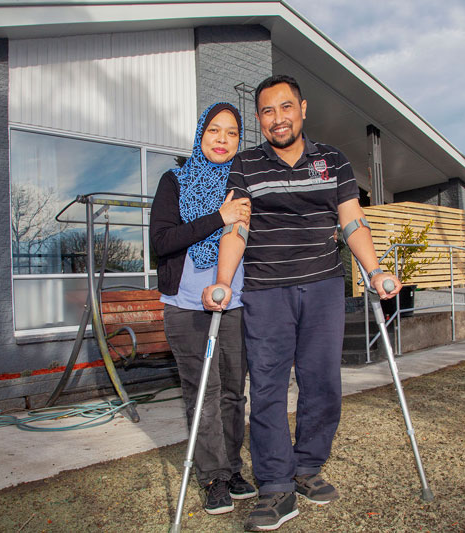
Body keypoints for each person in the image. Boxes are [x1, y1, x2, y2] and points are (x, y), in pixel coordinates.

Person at [202, 75, 401, 531]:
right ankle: (276, 486)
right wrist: (223, 281)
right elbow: (238, 227)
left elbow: (352, 221)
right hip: (267, 293)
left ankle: (307, 468)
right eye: (268, 111)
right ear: (258, 119)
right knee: (268, 388)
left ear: (303, 109)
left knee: (322, 384)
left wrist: (375, 271)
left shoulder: (333, 160)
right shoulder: (246, 165)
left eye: (286, 107)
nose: (278, 118)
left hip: (324, 288)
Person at [149, 102, 256, 515]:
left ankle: (231, 468)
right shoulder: (174, 181)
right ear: (200, 133)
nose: (223, 140)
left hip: (236, 302)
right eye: (215, 130)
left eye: (232, 133)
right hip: (186, 303)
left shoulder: (242, 183)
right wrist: (218, 216)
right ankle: (211, 477)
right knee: (204, 391)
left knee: (233, 392)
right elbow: (162, 241)